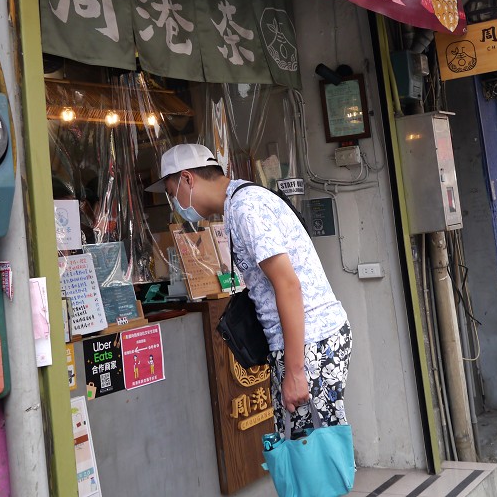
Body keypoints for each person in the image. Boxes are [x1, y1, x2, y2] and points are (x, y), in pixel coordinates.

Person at [146, 143, 351, 433]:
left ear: (188, 179)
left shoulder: (246, 207)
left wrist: (294, 371)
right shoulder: (239, 202)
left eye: (171, 192)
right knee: (303, 451)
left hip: (310, 342)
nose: (174, 203)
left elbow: (288, 284)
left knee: (312, 455)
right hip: (306, 340)